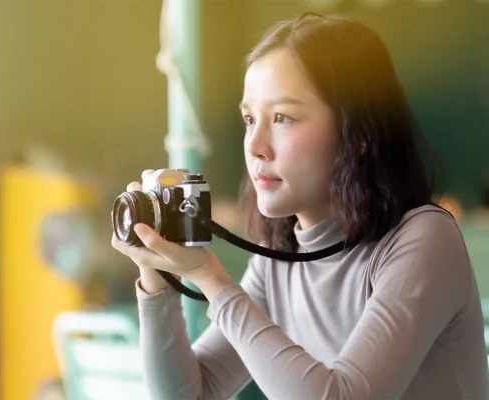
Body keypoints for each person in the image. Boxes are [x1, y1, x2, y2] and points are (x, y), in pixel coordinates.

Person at [111, 12, 489, 399]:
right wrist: (153, 274)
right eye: (248, 119)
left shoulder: (424, 239)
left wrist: (212, 281)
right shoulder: (278, 261)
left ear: (357, 132)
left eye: (282, 117)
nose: (255, 146)